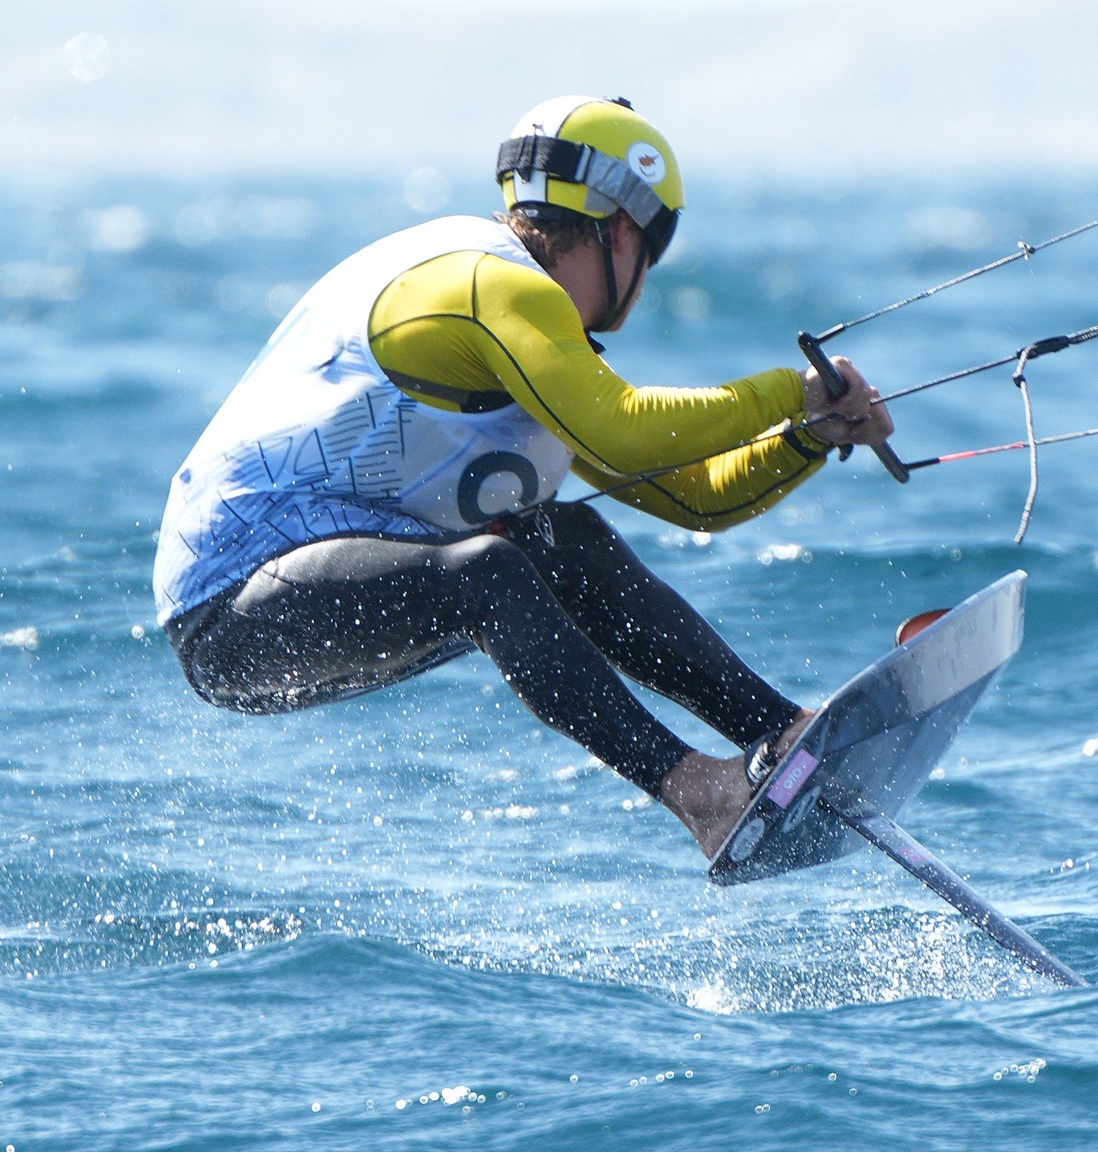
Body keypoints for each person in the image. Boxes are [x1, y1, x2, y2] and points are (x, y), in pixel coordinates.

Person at [152, 96, 893, 857]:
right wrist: (791, 392)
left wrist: (806, 437)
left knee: (564, 535)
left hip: (324, 593)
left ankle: (786, 736)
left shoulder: (534, 335)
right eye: (654, 250)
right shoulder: (492, 289)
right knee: (491, 571)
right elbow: (629, 432)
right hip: (231, 616)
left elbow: (691, 496)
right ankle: (703, 795)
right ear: (624, 229)